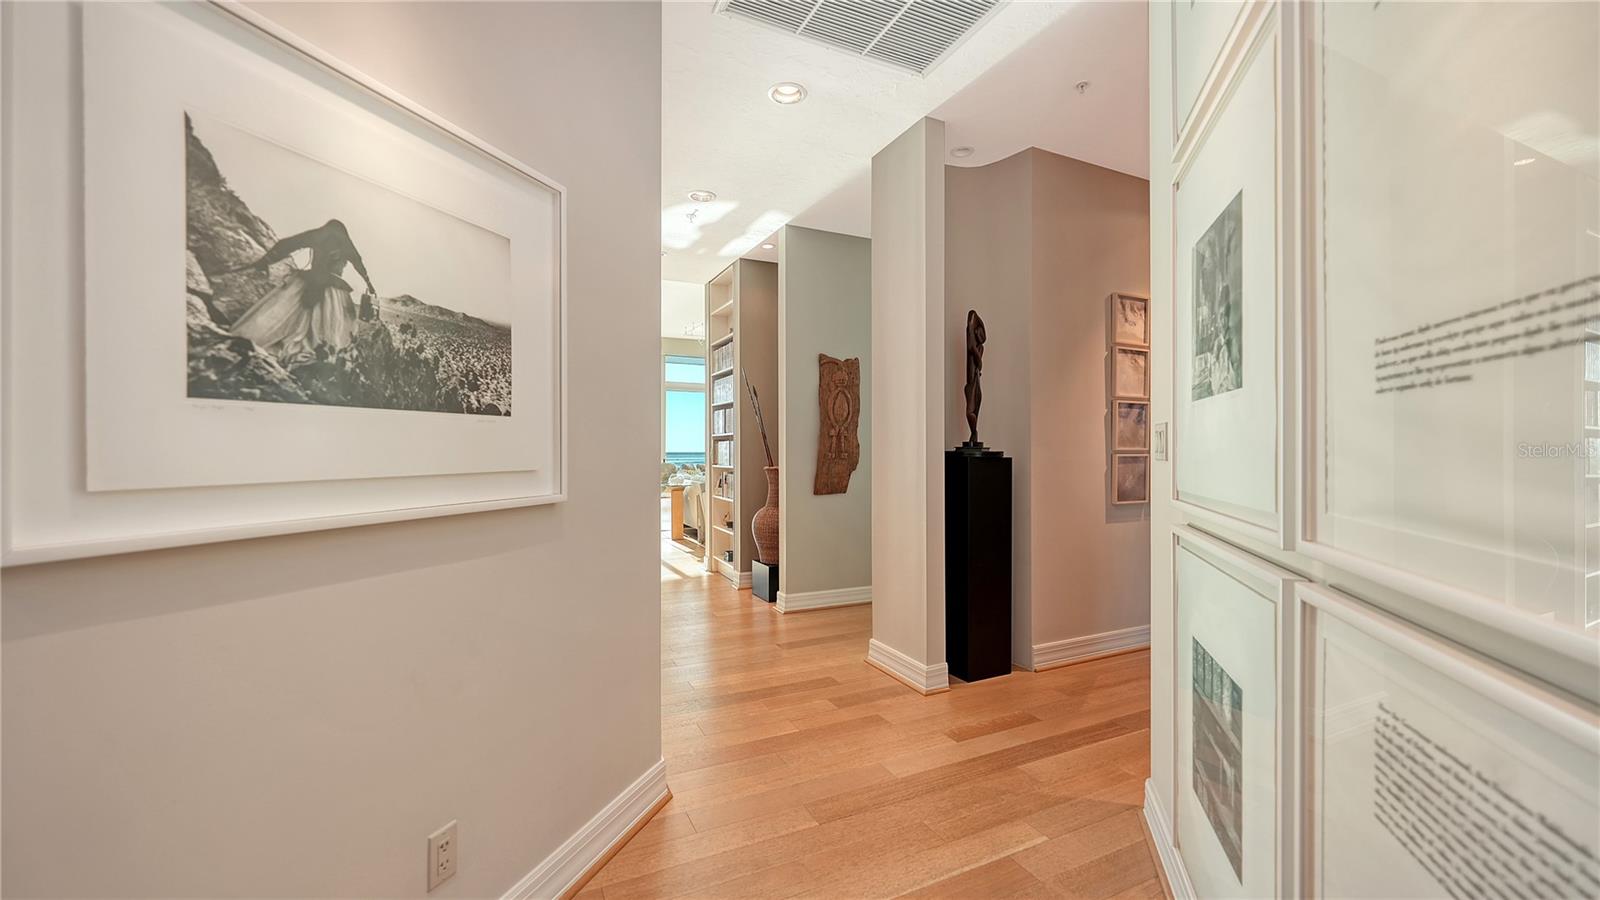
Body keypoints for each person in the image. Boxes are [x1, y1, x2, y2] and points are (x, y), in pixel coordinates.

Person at [222, 219, 377, 362]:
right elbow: (359, 264)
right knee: (330, 328)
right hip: (332, 290)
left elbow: (288, 244)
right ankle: (324, 355)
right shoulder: (345, 243)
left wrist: (267, 260)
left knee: (283, 313)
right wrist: (369, 284)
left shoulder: (318, 235)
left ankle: (262, 340)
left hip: (309, 281)